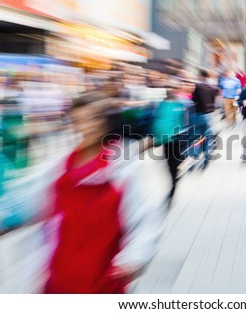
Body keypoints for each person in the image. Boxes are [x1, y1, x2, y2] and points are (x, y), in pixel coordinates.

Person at [1, 90, 168, 293]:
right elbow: (32, 204)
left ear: (105, 122)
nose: (86, 127)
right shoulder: (59, 168)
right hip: (58, 277)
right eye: (78, 120)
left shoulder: (126, 168)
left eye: (93, 119)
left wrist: (134, 257)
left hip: (104, 278)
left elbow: (146, 217)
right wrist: (7, 219)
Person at [191, 69, 218, 169]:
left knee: (196, 138)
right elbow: (213, 101)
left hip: (199, 115)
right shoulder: (212, 87)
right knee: (207, 138)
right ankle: (206, 158)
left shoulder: (198, 86)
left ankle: (195, 159)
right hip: (210, 115)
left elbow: (194, 100)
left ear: (200, 76)